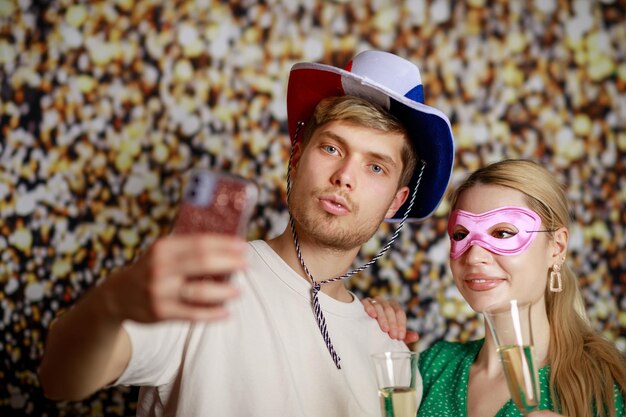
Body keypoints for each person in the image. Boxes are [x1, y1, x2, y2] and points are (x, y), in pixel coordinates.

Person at [38, 50, 454, 416]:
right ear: (296, 159)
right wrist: (113, 302)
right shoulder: (205, 282)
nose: (345, 176)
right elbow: (59, 379)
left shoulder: (393, 355)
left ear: (397, 202)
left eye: (375, 166)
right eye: (332, 148)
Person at [378, 159, 626, 417]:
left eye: (503, 233)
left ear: (557, 247)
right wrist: (364, 326)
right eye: (461, 235)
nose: (474, 257)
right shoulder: (432, 367)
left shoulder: (606, 384)